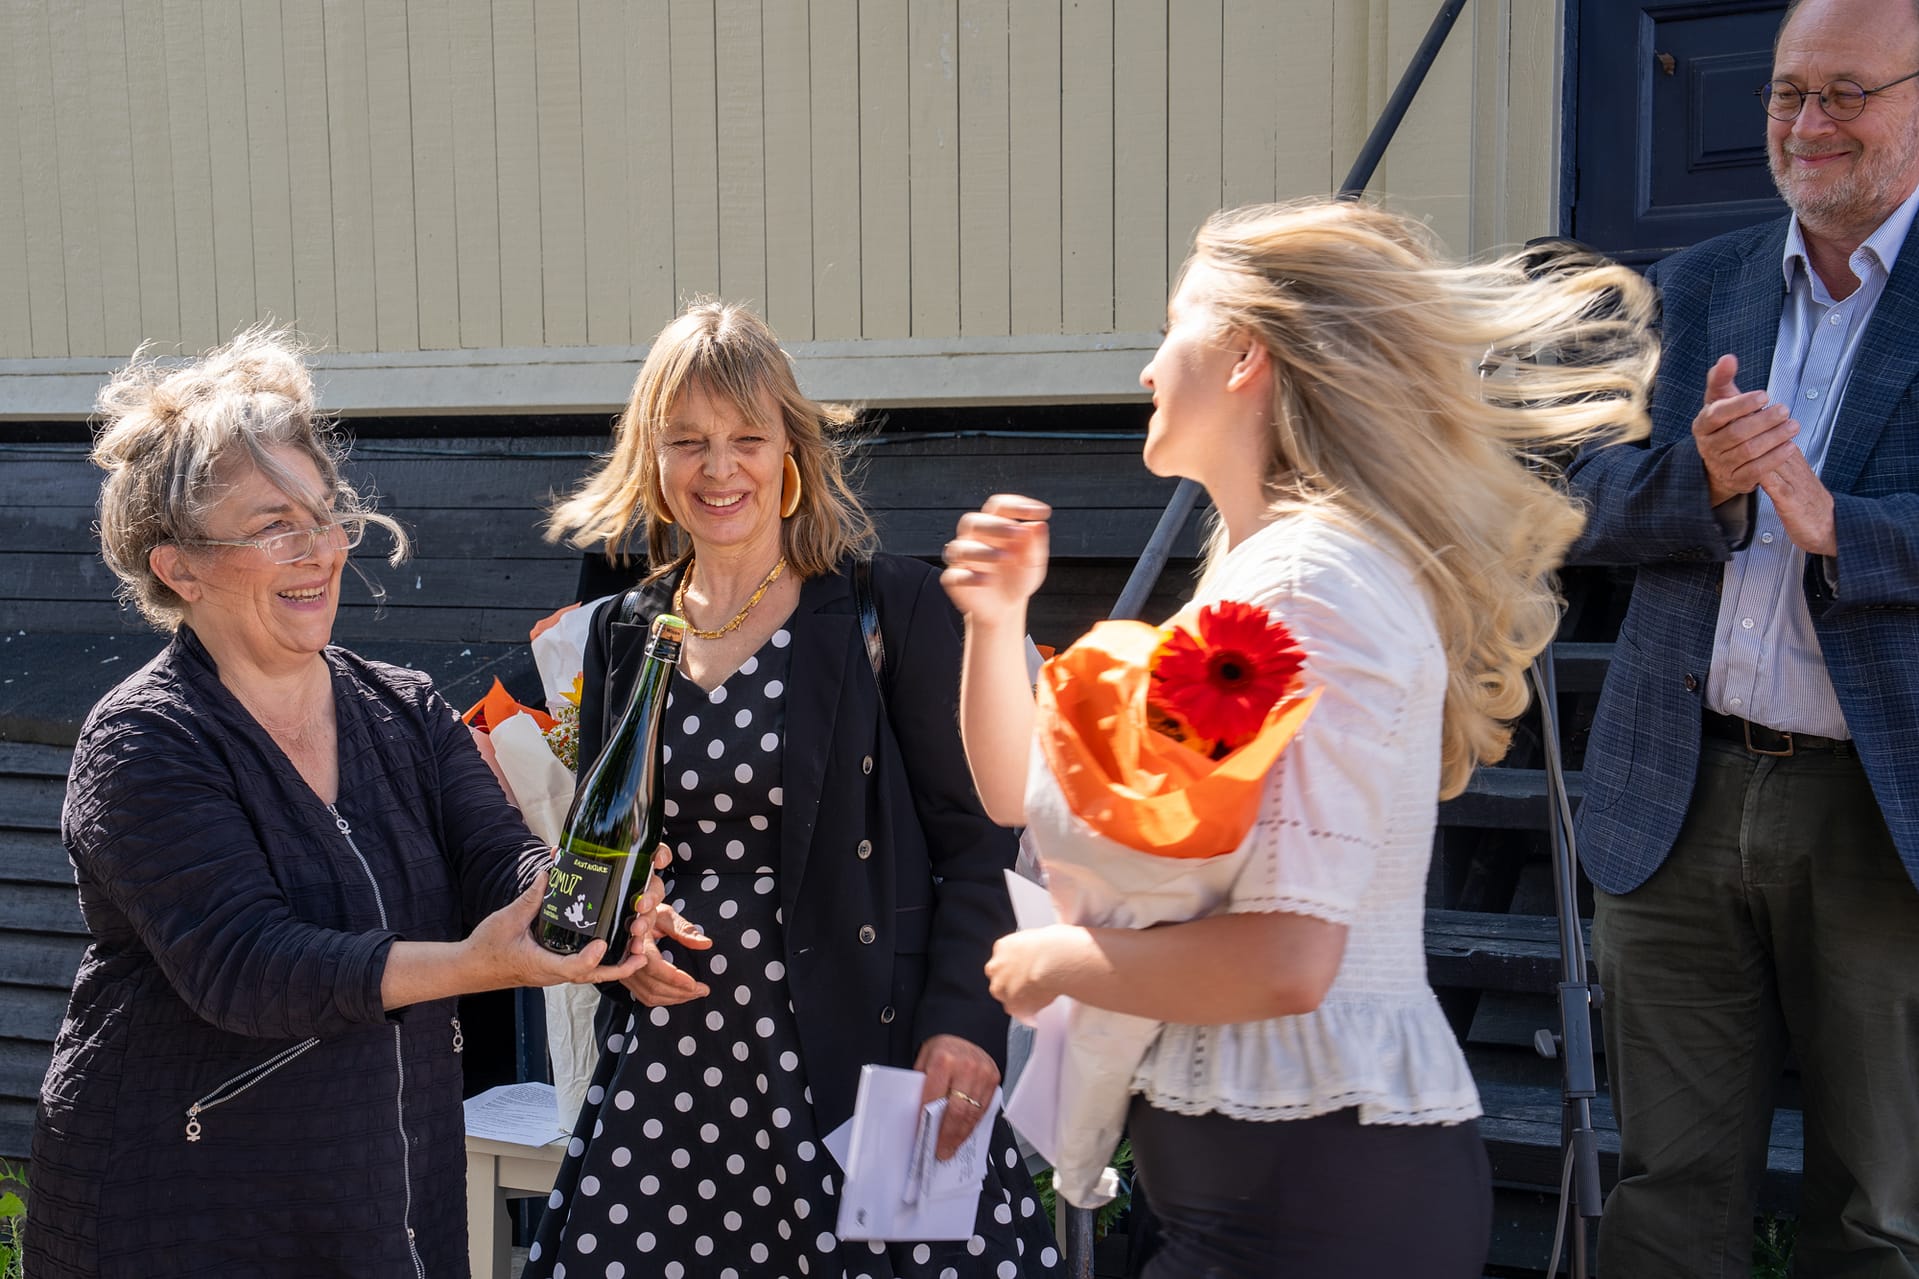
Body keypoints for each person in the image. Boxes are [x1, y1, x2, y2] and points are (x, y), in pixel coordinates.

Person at [942, 199, 1659, 1278]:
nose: (1145, 370)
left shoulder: (1303, 589)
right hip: (1268, 1188)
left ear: (1243, 357)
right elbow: (1031, 801)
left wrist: (1059, 958)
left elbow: (1287, 959)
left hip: (1308, 1198)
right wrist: (995, 624)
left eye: (1170, 328)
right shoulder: (1256, 578)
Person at [26, 328, 651, 1279]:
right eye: (273, 522)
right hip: (180, 1204)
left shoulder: (403, 707)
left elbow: (503, 863)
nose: (319, 547)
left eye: (325, 513)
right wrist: (474, 965)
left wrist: (594, 905)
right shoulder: (144, 739)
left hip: (381, 1195)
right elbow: (246, 965)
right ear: (177, 567)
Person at [526, 300, 1060, 1278]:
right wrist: (622, 939)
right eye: (686, 441)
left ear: (792, 455)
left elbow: (978, 838)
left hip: (866, 1058)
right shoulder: (625, 632)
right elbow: (607, 853)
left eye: (745, 438)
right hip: (672, 1067)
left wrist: (963, 1022)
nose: (717, 468)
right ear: (652, 461)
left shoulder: (883, 607)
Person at [1567, 0, 1919, 1271]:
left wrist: (1844, 525)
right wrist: (1698, 483)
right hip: (1677, 786)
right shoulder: (1690, 286)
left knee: (1876, 1212)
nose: (1805, 123)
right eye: (1784, 93)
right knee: (1666, 1192)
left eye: (1846, 93)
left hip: (1880, 809)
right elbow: (1570, 505)